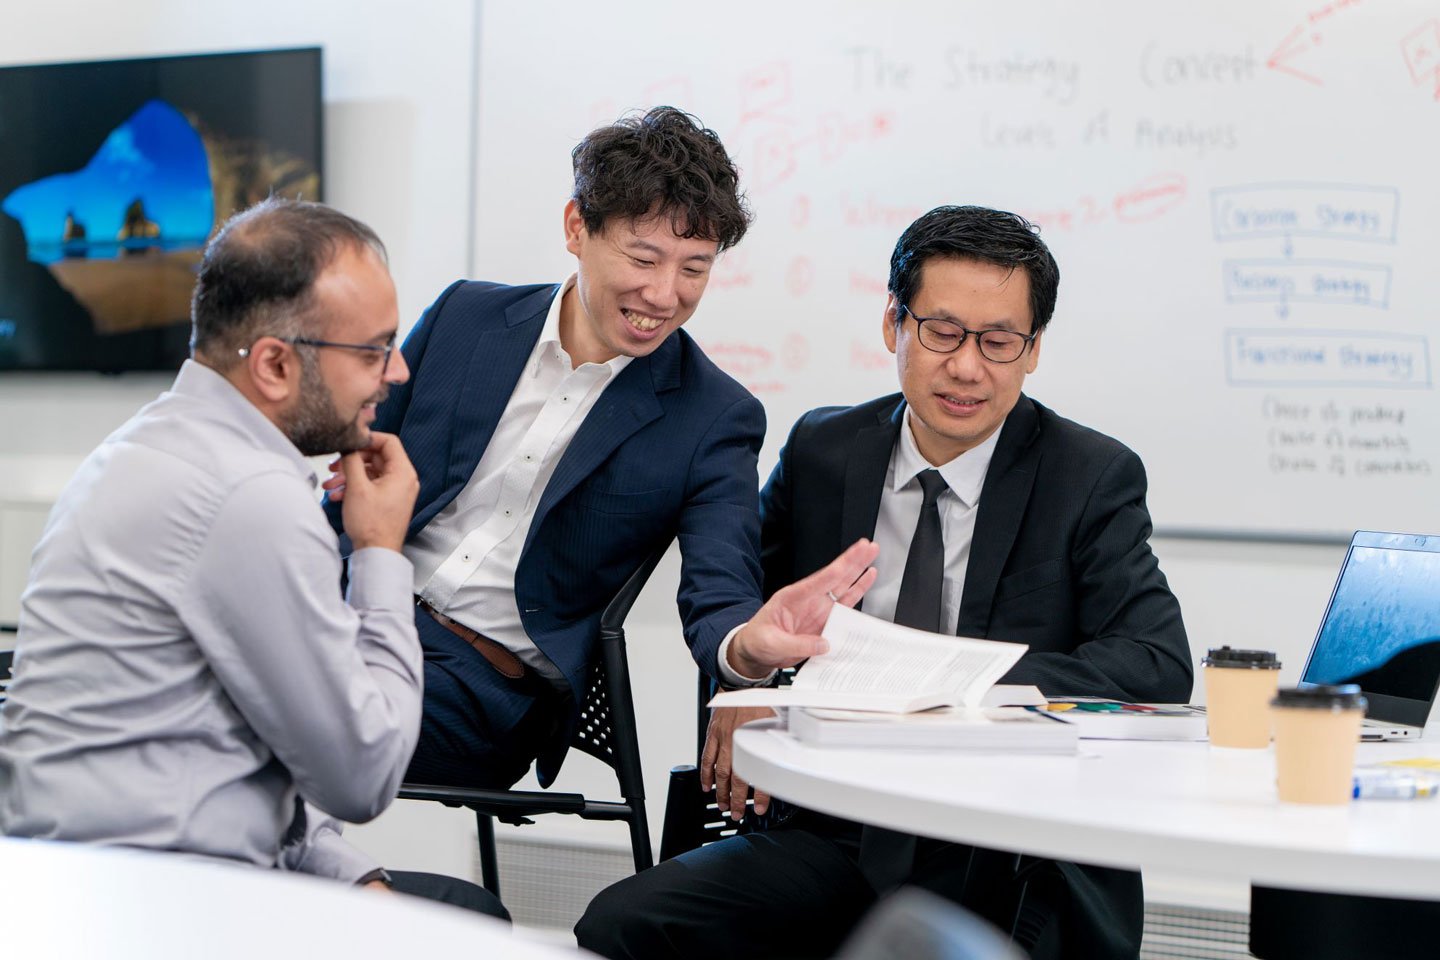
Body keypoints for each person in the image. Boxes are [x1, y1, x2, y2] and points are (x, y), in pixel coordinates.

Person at [576, 205, 1193, 960]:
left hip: (1003, 843)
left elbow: (1155, 664)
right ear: (892, 325)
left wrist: (950, 679)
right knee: (625, 925)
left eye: (999, 342)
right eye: (942, 332)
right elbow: (750, 607)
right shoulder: (824, 450)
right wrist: (748, 685)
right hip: (839, 829)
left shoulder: (1089, 476)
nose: (968, 367)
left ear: (1033, 352)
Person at [325, 106, 879, 794]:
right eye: (643, 258)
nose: (664, 294)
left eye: (695, 269)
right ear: (576, 229)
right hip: (345, 612)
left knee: (256, 698)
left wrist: (747, 653)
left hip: (481, 688)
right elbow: (357, 451)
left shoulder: (715, 417)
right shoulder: (465, 315)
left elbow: (721, 593)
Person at [0, 197, 500, 917]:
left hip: (92, 883)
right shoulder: (248, 497)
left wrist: (348, 873)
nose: (397, 372)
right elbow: (364, 773)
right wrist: (381, 551)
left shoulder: (152, 443)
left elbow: (237, 746)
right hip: (159, 910)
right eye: (373, 349)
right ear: (273, 365)